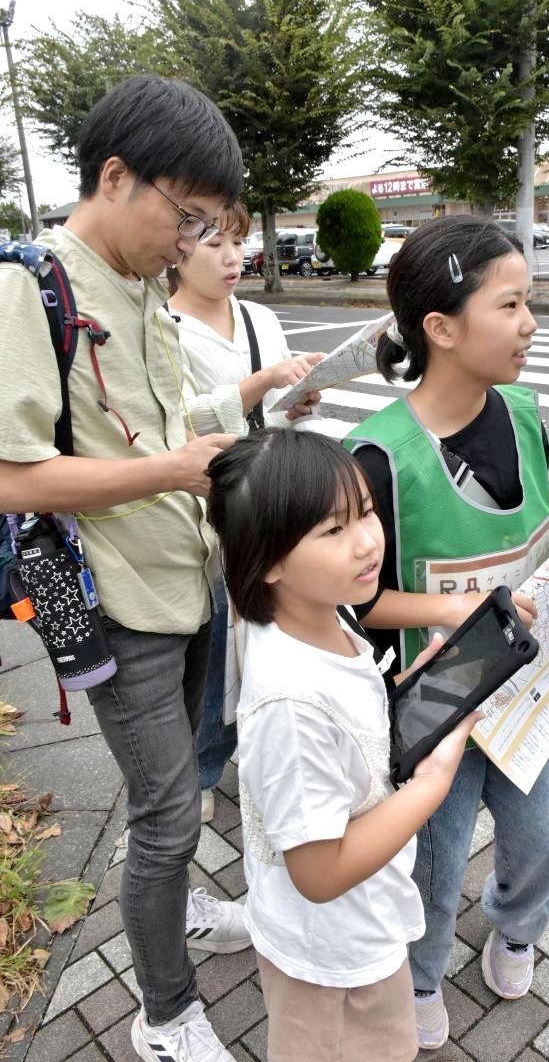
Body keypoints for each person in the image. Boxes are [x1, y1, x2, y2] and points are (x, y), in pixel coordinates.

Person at [344, 215, 549, 1050]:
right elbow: (352, 603)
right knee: (434, 870)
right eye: (511, 304)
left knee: (545, 842)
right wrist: (452, 611)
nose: (531, 323)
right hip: (437, 705)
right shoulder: (375, 461)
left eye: (530, 301)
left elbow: (537, 501)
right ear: (441, 328)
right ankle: (422, 974)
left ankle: (514, 932)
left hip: (525, 691)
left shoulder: (522, 413)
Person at [0, 76, 254, 1062]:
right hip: (117, 607)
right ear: (115, 177)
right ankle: (164, 1013)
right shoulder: (32, 287)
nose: (191, 242)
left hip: (186, 581)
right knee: (161, 809)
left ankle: (177, 903)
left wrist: (228, 447)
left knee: (184, 788)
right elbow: (15, 478)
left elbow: (167, 426)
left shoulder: (143, 290)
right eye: (184, 216)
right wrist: (175, 468)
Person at [206, 428, 481, 1062]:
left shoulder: (318, 610)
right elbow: (320, 871)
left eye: (366, 511)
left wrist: (400, 699)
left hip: (354, 931)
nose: (367, 540)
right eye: (332, 530)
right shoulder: (291, 704)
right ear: (267, 558)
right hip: (332, 959)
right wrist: (434, 783)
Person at [166, 205, 324, 823]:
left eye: (237, 242)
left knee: (271, 635)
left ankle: (270, 753)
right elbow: (178, 418)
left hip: (272, 499)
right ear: (179, 250)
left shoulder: (258, 316)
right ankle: (203, 769)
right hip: (210, 514)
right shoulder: (165, 327)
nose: (233, 257)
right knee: (214, 650)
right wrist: (259, 384)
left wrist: (298, 402)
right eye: (215, 244)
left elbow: (278, 414)